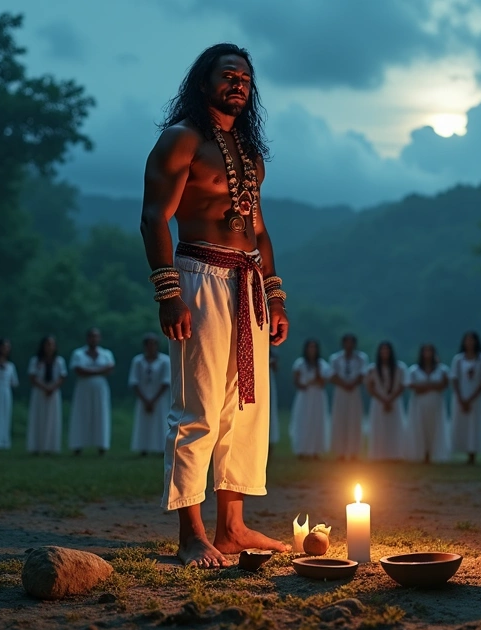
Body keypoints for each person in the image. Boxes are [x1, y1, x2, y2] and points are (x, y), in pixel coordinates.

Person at [140, 43, 291, 567]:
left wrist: (275, 296)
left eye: (246, 78)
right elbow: (154, 218)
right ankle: (191, 535)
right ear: (203, 81)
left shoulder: (251, 155)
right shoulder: (181, 139)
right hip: (198, 279)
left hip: (248, 283)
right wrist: (169, 293)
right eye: (228, 75)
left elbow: (261, 231)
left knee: (247, 409)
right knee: (198, 407)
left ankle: (232, 528)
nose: (239, 84)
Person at [69, 328, 115, 456]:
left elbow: (110, 368)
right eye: (91, 336)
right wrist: (99, 371)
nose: (93, 339)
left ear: (99, 338)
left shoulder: (106, 353)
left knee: (101, 414)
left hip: (100, 388)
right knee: (81, 414)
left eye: (96, 336)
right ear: (87, 338)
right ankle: (77, 445)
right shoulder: (78, 353)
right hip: (83, 388)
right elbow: (78, 370)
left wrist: (90, 371)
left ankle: (102, 445)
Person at [405, 344, 451, 464]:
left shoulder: (442, 369)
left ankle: (435, 453)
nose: (428, 354)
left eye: (430, 351)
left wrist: (425, 386)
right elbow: (412, 386)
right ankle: (422, 453)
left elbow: (443, 385)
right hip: (419, 404)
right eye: (425, 351)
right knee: (420, 426)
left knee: (435, 427)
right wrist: (431, 385)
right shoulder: (414, 369)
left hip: (436, 403)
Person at [451, 331, 481, 465]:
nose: (469, 343)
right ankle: (462, 450)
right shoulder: (458, 359)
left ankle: (473, 453)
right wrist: (461, 398)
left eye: (472, 340)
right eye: (467, 340)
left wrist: (471, 398)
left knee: (475, 424)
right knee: (462, 424)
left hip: (476, 397)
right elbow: (454, 379)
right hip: (461, 396)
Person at [129, 333, 171, 456]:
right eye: (148, 344)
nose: (151, 347)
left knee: (161, 421)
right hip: (143, 396)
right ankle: (143, 448)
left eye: (153, 344)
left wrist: (153, 400)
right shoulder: (138, 361)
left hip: (160, 397)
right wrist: (145, 400)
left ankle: (161, 448)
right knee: (143, 422)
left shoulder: (165, 361)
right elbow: (134, 381)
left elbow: (166, 381)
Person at [328, 334, 368, 461]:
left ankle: (354, 452)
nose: (349, 345)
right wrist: (344, 384)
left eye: (351, 343)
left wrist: (352, 384)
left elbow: (363, 374)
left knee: (354, 422)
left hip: (354, 392)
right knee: (340, 421)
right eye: (347, 342)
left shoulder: (361, 358)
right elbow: (332, 375)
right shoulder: (335, 358)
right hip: (340, 392)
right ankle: (340, 452)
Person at [365, 341, 405, 462]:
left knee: (394, 428)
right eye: (382, 350)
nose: (385, 353)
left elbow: (402, 385)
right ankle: (378, 454)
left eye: (387, 350)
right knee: (379, 427)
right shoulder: (372, 369)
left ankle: (395, 454)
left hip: (395, 402)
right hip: (378, 403)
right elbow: (370, 387)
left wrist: (391, 399)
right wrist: (383, 400)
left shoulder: (399, 368)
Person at [290, 339, 330, 460]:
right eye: (310, 347)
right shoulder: (300, 363)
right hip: (304, 395)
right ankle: (301, 449)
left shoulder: (322, 364)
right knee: (302, 421)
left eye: (314, 347)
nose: (312, 350)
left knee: (317, 422)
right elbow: (296, 381)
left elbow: (323, 382)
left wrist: (317, 372)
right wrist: (305, 384)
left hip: (317, 395)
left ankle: (315, 451)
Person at [27, 335, 67, 455]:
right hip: (39, 392)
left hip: (53, 393)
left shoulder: (59, 361)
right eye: (47, 344)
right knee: (38, 418)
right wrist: (44, 387)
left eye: (52, 345)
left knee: (52, 419)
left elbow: (62, 376)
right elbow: (32, 377)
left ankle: (51, 447)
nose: (49, 347)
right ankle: (36, 446)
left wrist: (52, 387)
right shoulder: (35, 361)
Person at [268, 349, 281, 452]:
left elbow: (276, 368)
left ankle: (270, 442)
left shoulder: (273, 352)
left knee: (270, 413)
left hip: (269, 382)